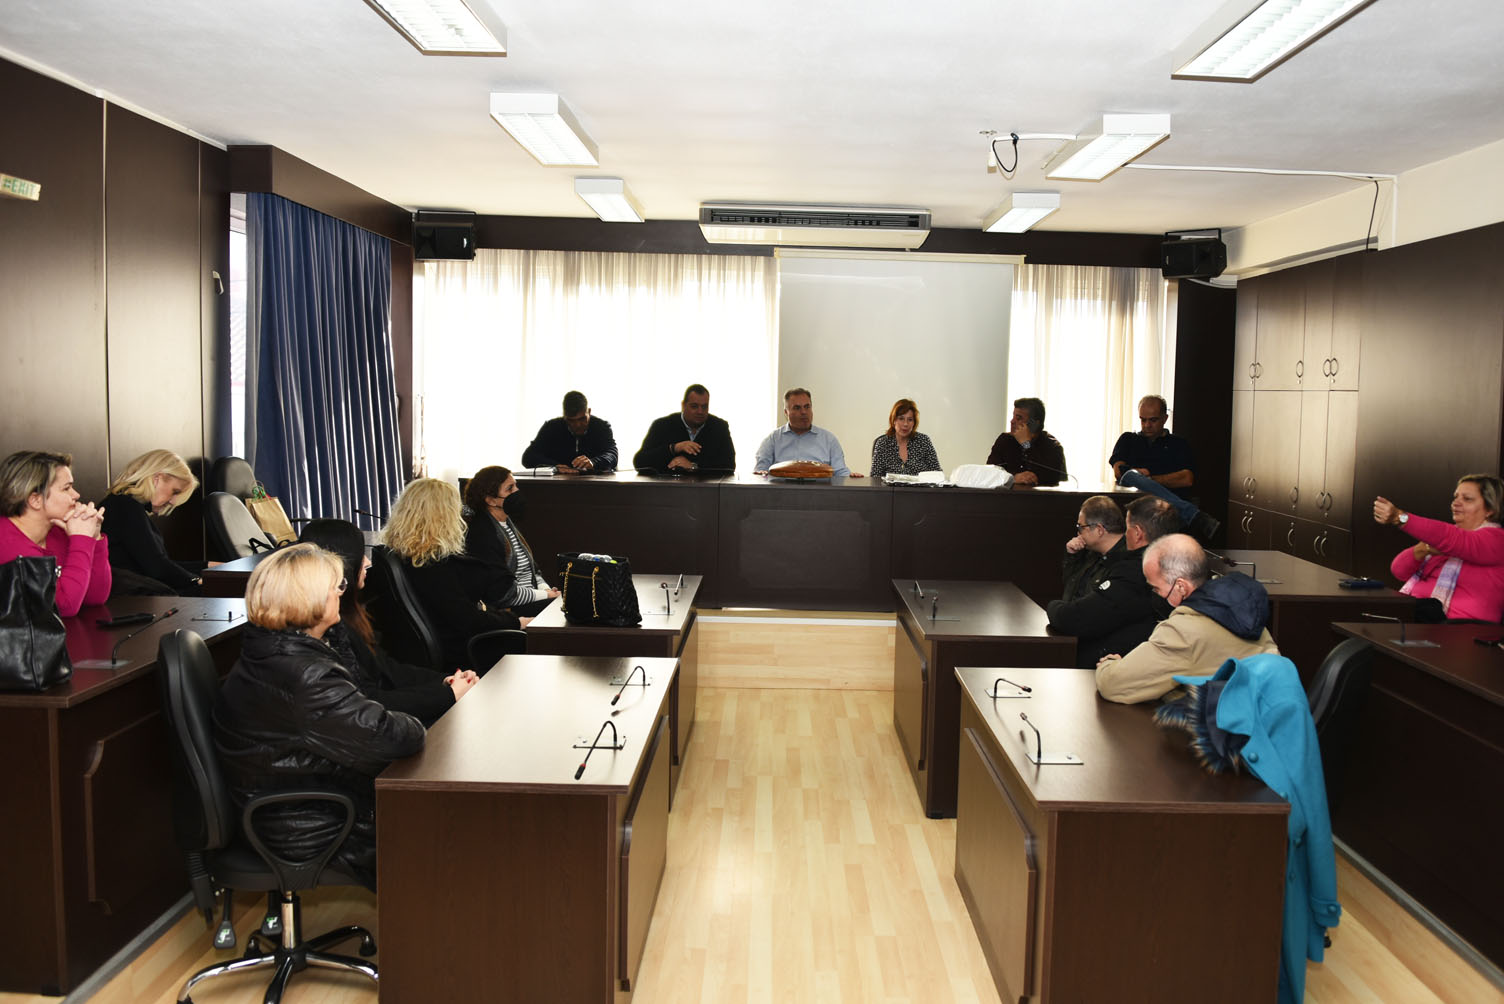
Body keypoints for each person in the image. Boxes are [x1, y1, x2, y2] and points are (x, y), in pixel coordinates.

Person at [212, 544, 425, 891]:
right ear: (308, 599)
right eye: (336, 587)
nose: (341, 593)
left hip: (291, 809)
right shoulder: (304, 675)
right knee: (447, 829)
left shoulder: (270, 650)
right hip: (312, 825)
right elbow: (390, 737)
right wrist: (416, 722)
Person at [299, 518, 477, 727]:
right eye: (360, 555)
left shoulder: (346, 617)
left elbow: (386, 669)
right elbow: (367, 703)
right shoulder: (328, 630)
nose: (367, 562)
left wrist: (447, 681)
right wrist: (447, 694)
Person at [1095, 534, 1278, 704]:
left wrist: (1109, 664)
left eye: (1156, 588)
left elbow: (1113, 684)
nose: (1155, 594)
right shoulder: (1243, 612)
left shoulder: (1183, 632)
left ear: (1181, 587)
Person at [379, 478, 523, 671]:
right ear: (444, 517)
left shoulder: (400, 555)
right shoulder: (432, 565)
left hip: (425, 652)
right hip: (459, 657)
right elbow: (469, 620)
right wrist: (516, 621)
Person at [1047, 496, 1163, 668]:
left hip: (1105, 658)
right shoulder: (1094, 554)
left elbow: (1079, 618)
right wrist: (1073, 557)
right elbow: (1073, 591)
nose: (1078, 533)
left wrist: (1054, 607)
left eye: (1081, 527)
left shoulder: (1130, 568)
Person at [1374, 474, 1504, 622]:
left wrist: (1399, 517)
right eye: (1456, 497)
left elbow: (1452, 538)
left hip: (1463, 628)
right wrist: (1423, 549)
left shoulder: (1497, 539)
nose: (1456, 503)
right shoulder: (1445, 540)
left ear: (1490, 509)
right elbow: (1399, 571)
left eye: (1467, 499)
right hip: (1419, 618)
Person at [0, 449, 111, 616]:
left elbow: (94, 597)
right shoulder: (7, 543)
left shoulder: (57, 531)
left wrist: (94, 537)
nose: (76, 495)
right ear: (35, 500)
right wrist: (81, 540)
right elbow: (63, 607)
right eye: (67, 488)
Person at [101, 449, 215, 595]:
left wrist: (207, 566)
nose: (173, 502)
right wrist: (196, 580)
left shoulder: (123, 505)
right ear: (157, 478)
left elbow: (161, 564)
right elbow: (157, 567)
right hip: (132, 598)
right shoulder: (125, 506)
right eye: (175, 491)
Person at [1110, 395, 1220, 542]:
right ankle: (1194, 515)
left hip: (1168, 511)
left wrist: (1148, 480)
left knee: (1133, 476)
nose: (1147, 425)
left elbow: (1186, 479)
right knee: (1129, 476)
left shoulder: (1178, 444)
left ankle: (1188, 513)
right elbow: (1119, 472)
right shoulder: (1128, 439)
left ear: (1165, 418)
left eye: (1153, 420)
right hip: (1137, 508)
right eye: (1143, 420)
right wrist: (1138, 476)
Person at [462, 465, 560, 618]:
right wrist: (547, 596)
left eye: (515, 486)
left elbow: (532, 570)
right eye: (510, 489)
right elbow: (503, 593)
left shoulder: (507, 523)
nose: (517, 491)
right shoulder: (482, 534)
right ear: (491, 500)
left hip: (531, 599)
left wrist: (545, 589)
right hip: (511, 610)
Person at [752, 387, 856, 477]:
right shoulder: (773, 440)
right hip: (782, 492)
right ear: (786, 412)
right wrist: (761, 474)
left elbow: (840, 473)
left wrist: (851, 478)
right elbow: (760, 472)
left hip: (820, 492)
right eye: (797, 408)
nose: (803, 412)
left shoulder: (829, 440)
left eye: (807, 407)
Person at [633, 383, 736, 473]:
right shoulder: (662, 425)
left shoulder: (719, 427)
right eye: (694, 406)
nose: (700, 411)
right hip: (667, 487)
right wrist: (673, 448)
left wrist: (694, 466)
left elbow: (729, 466)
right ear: (683, 405)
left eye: (704, 407)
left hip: (706, 488)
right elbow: (639, 462)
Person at [521, 390, 619, 473]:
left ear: (589, 411)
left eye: (582, 419)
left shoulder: (601, 427)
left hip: (596, 484)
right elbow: (528, 457)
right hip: (560, 483)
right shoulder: (551, 427)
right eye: (571, 421)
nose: (577, 425)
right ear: (564, 416)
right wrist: (555, 466)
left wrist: (594, 462)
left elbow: (612, 455)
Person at [986, 397, 1067, 487]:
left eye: (1018, 418)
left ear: (1034, 424)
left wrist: (1026, 445)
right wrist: (1013, 478)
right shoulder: (1005, 440)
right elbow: (990, 472)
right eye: (1013, 417)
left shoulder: (1052, 446)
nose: (1012, 421)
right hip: (1007, 494)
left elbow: (1052, 478)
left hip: (1040, 495)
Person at [869, 398, 941, 478]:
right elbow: (874, 478)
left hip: (920, 486)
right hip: (890, 487)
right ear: (894, 420)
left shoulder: (924, 441)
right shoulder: (883, 443)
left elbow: (937, 474)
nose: (905, 424)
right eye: (901, 418)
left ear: (914, 423)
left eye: (910, 420)